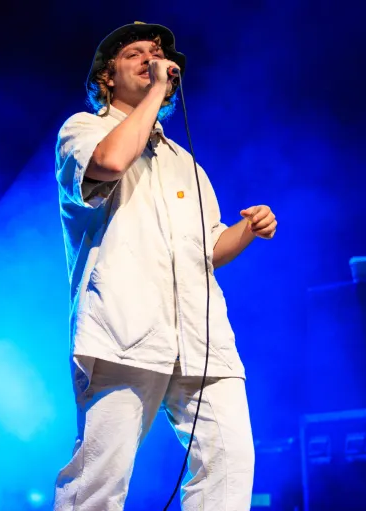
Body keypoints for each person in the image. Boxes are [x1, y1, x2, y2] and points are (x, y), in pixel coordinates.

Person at [52, 22, 278, 511]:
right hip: (123, 334)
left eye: (156, 54)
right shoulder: (83, 130)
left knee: (229, 467)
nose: (151, 59)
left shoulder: (185, 162)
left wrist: (248, 230)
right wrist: (155, 90)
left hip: (201, 341)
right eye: (136, 53)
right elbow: (111, 163)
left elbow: (206, 248)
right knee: (99, 481)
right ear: (107, 76)